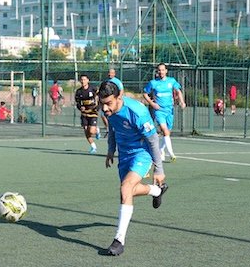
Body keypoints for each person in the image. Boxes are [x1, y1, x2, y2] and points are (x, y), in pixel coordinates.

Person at [97, 80, 167, 256]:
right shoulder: (109, 110)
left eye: (108, 103)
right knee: (128, 191)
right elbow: (113, 129)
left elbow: (153, 140)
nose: (104, 108)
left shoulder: (137, 112)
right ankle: (156, 191)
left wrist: (159, 169)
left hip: (141, 154)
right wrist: (111, 150)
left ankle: (119, 240)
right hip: (124, 155)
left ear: (119, 96)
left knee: (125, 188)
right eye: (102, 103)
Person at [142, 63, 186, 161]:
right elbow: (145, 93)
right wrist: (152, 103)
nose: (161, 72)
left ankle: (161, 150)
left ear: (166, 71)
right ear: (157, 72)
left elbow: (178, 91)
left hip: (169, 110)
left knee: (167, 133)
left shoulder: (171, 81)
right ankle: (172, 154)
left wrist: (182, 102)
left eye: (162, 70)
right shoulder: (153, 83)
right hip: (159, 111)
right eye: (159, 70)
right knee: (165, 131)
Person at [74, 74, 100, 154]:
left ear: (88, 80)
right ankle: (93, 146)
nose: (83, 81)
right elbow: (78, 103)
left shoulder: (93, 89)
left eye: (84, 79)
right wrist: (80, 107)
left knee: (91, 131)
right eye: (81, 80)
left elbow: (100, 96)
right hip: (84, 114)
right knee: (86, 130)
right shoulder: (78, 92)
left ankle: (97, 130)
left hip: (93, 113)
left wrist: (98, 106)